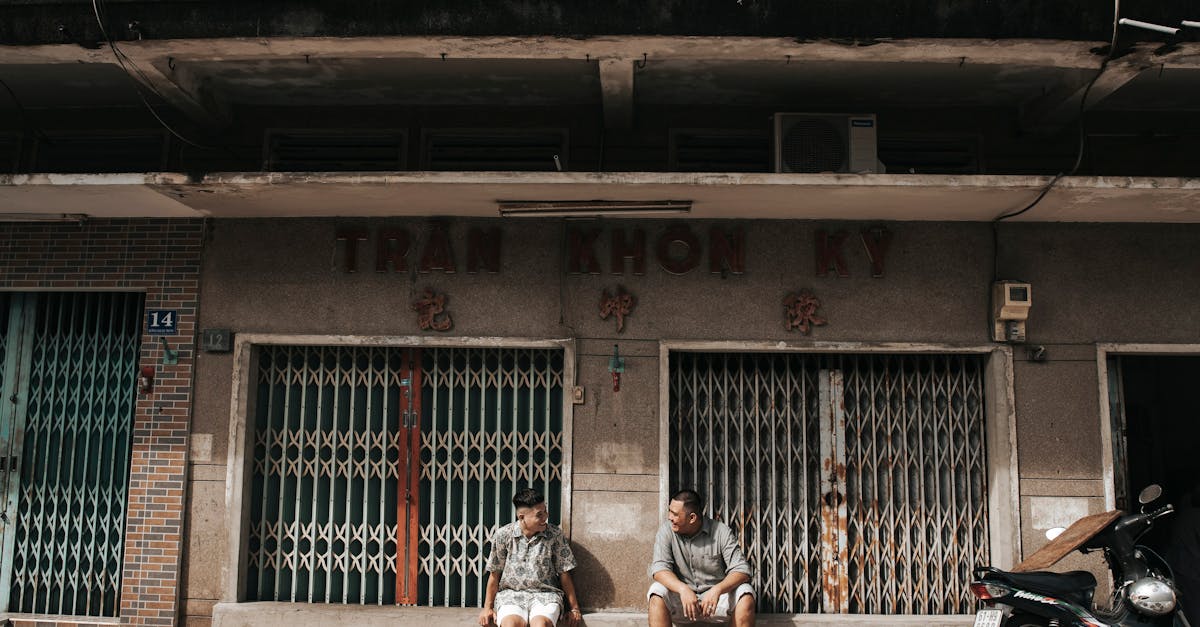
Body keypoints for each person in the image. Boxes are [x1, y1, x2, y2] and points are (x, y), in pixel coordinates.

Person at [647, 488, 755, 626]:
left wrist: (717, 590)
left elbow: (742, 570)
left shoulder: (721, 532)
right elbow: (659, 569)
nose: (669, 517)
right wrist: (682, 589)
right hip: (683, 603)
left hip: (715, 603)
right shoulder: (666, 531)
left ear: (692, 518)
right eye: (669, 511)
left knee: (746, 593)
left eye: (674, 514)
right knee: (656, 592)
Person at [479, 488, 582, 627]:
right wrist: (487, 608)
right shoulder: (503, 535)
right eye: (539, 515)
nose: (545, 517)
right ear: (521, 517)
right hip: (511, 596)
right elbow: (494, 574)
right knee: (510, 625)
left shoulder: (555, 535)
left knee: (541, 625)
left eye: (545, 511)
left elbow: (564, 573)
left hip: (546, 595)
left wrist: (574, 608)